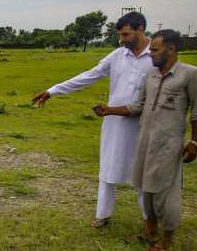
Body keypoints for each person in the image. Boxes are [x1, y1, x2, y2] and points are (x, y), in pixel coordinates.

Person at [32, 12, 153, 228]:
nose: (122, 39)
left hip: (146, 123)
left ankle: (149, 219)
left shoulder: (156, 54)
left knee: (143, 170)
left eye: (126, 34)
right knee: (108, 167)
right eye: (120, 35)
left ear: (141, 29)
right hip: (114, 120)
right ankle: (102, 214)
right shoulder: (117, 56)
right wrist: (53, 91)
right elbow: (90, 75)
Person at [93, 29, 197, 251]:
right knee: (145, 189)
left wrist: (194, 143)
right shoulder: (151, 76)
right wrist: (110, 110)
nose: (151, 54)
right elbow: (138, 106)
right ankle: (149, 233)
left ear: (171, 49)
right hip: (144, 141)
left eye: (155, 50)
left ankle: (166, 241)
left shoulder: (190, 74)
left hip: (168, 143)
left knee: (165, 194)